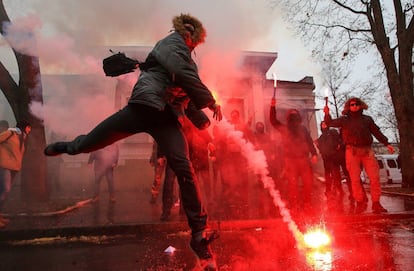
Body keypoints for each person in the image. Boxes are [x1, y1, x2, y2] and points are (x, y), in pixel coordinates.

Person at [44, 14, 222, 269]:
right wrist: (210, 100)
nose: (194, 47)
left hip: (165, 119)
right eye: (194, 42)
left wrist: (202, 119)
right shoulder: (172, 44)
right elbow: (181, 72)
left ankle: (198, 235)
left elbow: (186, 95)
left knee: (184, 168)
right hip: (142, 107)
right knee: (91, 143)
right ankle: (69, 147)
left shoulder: (186, 61)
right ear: (188, 35)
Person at [324, 97, 394, 214]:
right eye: (352, 104)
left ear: (361, 105)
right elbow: (330, 123)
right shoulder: (344, 120)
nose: (354, 106)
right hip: (352, 151)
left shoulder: (367, 119)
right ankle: (360, 202)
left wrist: (386, 143)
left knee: (374, 178)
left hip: (367, 151)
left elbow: (376, 132)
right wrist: (327, 114)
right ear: (348, 106)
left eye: (357, 104)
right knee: (355, 179)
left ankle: (376, 203)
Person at [269, 98, 318, 215]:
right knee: (293, 185)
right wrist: (272, 107)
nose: (294, 116)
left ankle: (307, 204)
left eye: (295, 114)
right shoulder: (285, 129)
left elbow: (309, 141)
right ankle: (295, 205)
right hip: (290, 161)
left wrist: (314, 154)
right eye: (292, 115)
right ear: (288, 118)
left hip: (304, 160)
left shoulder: (303, 129)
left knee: (308, 183)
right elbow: (273, 121)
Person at [0, 120, 31, 228]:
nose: (29, 130)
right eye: (28, 127)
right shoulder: (10, 133)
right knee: (5, 190)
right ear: (24, 126)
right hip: (4, 166)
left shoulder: (23, 137)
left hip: (14, 167)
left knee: (4, 192)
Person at [315, 121, 344, 211]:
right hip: (326, 158)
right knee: (328, 174)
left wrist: (337, 148)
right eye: (322, 124)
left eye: (325, 124)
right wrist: (318, 145)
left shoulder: (332, 132)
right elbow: (321, 148)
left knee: (336, 174)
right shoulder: (321, 137)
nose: (324, 125)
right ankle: (329, 190)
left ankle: (338, 189)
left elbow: (339, 141)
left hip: (334, 157)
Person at [149, 141, 178, 221]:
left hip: (173, 157)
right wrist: (159, 156)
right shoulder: (159, 136)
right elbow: (156, 147)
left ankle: (172, 204)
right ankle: (156, 197)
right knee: (163, 180)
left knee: (171, 182)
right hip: (167, 157)